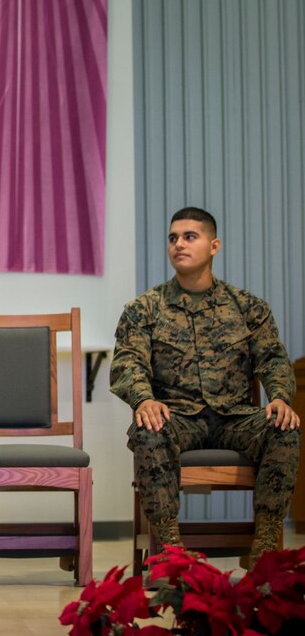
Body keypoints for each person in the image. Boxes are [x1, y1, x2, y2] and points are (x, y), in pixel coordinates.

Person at [110, 206, 300, 567]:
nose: (178, 244)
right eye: (172, 238)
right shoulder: (143, 309)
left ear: (214, 246)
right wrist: (144, 399)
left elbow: (273, 359)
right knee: (148, 429)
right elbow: (127, 362)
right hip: (178, 418)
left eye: (189, 236)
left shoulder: (248, 308)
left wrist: (279, 397)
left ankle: (264, 549)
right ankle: (169, 552)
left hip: (235, 418)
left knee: (284, 426)